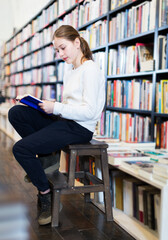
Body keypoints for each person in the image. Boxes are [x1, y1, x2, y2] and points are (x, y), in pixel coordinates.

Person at [8, 25, 105, 225]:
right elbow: (67, 105)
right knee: (17, 112)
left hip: (79, 127)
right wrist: (42, 105)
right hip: (63, 120)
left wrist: (57, 107)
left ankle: (46, 193)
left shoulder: (91, 70)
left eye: (63, 48)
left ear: (77, 43)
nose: (60, 54)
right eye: (57, 50)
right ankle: (47, 156)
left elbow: (90, 112)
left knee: (21, 149)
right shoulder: (70, 70)